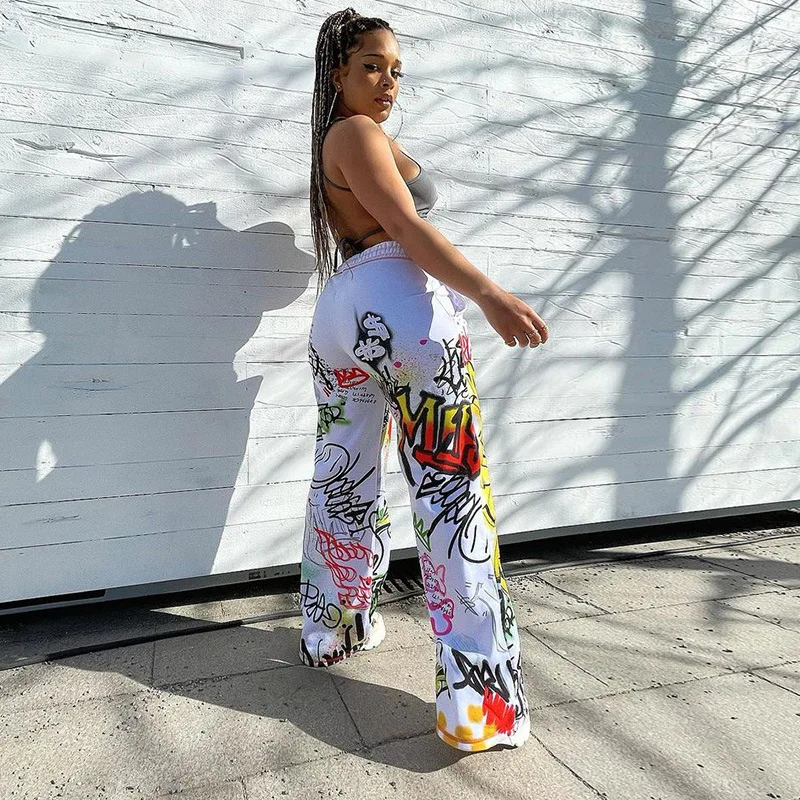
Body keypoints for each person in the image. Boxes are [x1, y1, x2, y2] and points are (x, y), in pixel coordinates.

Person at [299, 8, 549, 753]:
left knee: (343, 476)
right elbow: (408, 231)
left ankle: (331, 630)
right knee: (452, 491)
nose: (388, 82)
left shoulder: (335, 141)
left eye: (396, 70)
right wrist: (490, 294)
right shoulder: (356, 132)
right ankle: (479, 709)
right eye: (371, 66)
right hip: (399, 304)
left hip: (342, 311)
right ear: (338, 74)